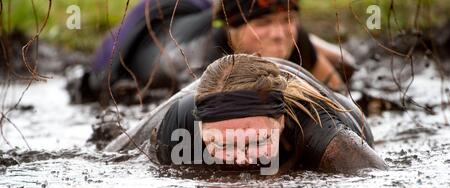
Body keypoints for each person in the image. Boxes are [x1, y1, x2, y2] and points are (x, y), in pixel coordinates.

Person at [105, 54, 386, 174]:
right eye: (222, 145)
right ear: (201, 132)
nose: (241, 160)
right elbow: (113, 161)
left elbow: (379, 184)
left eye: (255, 141)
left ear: (280, 122)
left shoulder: (318, 130)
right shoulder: (181, 126)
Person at [74, 0, 355, 104]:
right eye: (263, 23)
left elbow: (336, 91)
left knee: (347, 62)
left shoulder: (295, 36)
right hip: (150, 23)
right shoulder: (204, 65)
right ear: (232, 28)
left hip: (203, 10)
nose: (280, 34)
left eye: (288, 19)